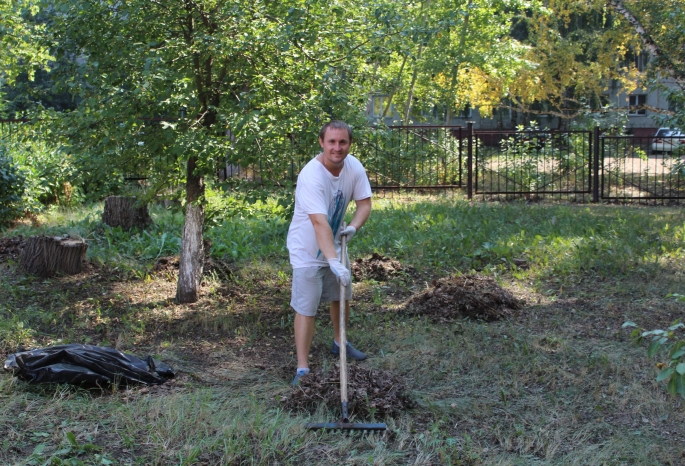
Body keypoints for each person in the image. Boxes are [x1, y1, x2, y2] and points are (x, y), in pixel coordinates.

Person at [287, 120, 372, 386]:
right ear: (321, 142)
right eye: (332, 142)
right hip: (307, 249)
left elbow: (365, 203)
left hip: (335, 242)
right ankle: (302, 368)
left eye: (342, 142)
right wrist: (333, 261)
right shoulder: (311, 175)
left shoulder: (353, 166)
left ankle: (340, 343)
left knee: (341, 294)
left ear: (349, 144)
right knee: (307, 307)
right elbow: (318, 222)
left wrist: (353, 228)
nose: (337, 148)